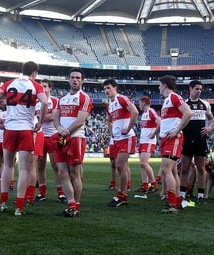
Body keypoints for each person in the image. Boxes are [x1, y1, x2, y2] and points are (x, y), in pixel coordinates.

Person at [0, 60, 48, 216]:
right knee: (24, 168)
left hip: (9, 128)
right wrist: (40, 121)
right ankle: (19, 206)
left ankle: (3, 203)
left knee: (7, 165)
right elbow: (45, 102)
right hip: (25, 130)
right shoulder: (36, 86)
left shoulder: (10, 83)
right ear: (34, 73)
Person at [52, 68, 93, 217]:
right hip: (62, 138)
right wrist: (58, 129)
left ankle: (76, 205)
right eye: (72, 77)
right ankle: (71, 204)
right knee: (62, 172)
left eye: (78, 78)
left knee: (74, 174)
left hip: (75, 138)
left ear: (82, 81)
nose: (75, 80)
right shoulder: (62, 99)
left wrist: (66, 132)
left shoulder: (85, 98)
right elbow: (56, 118)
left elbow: (80, 120)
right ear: (68, 80)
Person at [157, 75, 192, 213]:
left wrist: (177, 129)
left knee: (166, 169)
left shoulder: (174, 97)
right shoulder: (167, 100)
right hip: (166, 138)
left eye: (159, 85)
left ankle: (172, 203)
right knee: (171, 170)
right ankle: (176, 200)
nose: (158, 87)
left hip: (173, 138)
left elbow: (188, 113)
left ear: (165, 85)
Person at [102, 78, 138, 207]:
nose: (106, 90)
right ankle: (122, 194)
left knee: (119, 165)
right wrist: (113, 131)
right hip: (117, 139)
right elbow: (109, 120)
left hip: (127, 137)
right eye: (105, 88)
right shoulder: (109, 105)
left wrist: (127, 128)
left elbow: (135, 112)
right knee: (120, 166)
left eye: (109, 88)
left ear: (115, 88)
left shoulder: (122, 99)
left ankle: (122, 195)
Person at [180, 80, 214, 204]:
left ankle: (200, 194)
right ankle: (182, 194)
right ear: (190, 89)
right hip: (187, 139)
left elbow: (211, 118)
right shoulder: (184, 104)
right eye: (196, 89)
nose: (199, 91)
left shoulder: (205, 104)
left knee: (201, 168)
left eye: (200, 89)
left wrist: (209, 127)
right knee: (184, 168)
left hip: (200, 140)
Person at [34, 79, 62, 203]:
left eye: (45, 86)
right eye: (41, 86)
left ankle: (61, 193)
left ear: (50, 88)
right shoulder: (35, 101)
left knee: (56, 165)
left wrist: (40, 117)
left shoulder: (55, 101)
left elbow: (54, 117)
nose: (43, 88)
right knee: (40, 166)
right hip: (39, 136)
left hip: (53, 136)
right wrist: (45, 117)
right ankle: (42, 192)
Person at [136, 96, 159, 194]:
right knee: (142, 164)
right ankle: (145, 185)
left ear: (144, 103)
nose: (139, 105)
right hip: (143, 141)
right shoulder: (144, 113)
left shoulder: (150, 111)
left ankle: (154, 184)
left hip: (149, 141)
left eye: (140, 103)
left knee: (143, 163)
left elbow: (159, 122)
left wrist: (153, 134)